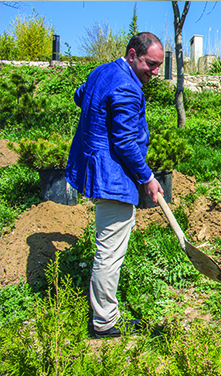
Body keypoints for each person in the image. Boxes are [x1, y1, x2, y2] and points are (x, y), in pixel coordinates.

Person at [66, 32, 165, 339]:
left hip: (94, 167)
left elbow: (80, 96)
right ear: (133, 54)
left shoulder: (103, 71)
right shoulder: (126, 87)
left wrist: (96, 124)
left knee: (107, 246)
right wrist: (147, 177)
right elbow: (124, 141)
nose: (156, 72)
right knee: (109, 251)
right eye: (151, 64)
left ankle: (104, 314)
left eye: (159, 66)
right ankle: (104, 322)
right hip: (112, 177)